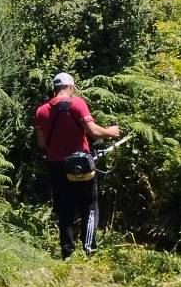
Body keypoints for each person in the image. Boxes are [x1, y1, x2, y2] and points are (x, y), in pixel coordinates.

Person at [34, 71, 120, 259]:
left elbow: (41, 144)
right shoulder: (77, 103)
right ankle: (89, 251)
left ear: (55, 88)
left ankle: (68, 254)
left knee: (64, 210)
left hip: (56, 166)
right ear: (71, 87)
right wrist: (111, 132)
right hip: (80, 164)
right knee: (89, 206)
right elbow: (94, 131)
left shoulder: (41, 111)